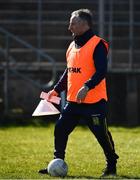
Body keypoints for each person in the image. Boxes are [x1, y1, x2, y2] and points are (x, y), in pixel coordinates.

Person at [39, 9, 119, 177]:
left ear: (84, 24)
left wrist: (87, 86)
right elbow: (69, 72)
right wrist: (56, 89)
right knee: (60, 129)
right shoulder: (71, 45)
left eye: (73, 23)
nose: (69, 27)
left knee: (102, 135)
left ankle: (111, 164)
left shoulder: (98, 44)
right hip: (73, 102)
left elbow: (102, 71)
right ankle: (57, 163)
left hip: (94, 102)